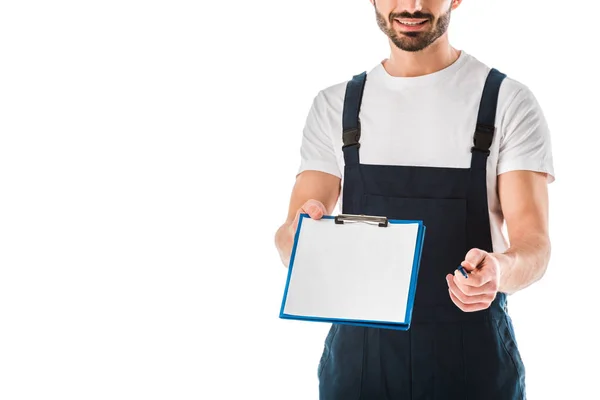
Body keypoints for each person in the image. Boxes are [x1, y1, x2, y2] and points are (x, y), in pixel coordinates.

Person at [274, 0, 554, 398]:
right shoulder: (335, 106)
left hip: (471, 366)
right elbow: (288, 238)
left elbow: (535, 246)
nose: (412, 5)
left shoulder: (507, 101)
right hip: (358, 367)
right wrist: (303, 235)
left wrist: (500, 271)